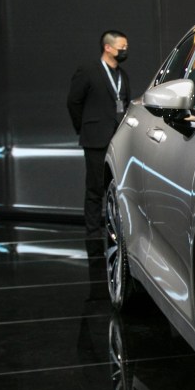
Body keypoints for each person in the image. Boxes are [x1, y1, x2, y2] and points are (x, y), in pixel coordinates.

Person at [67, 29, 131, 256]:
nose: (125, 50)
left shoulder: (122, 74)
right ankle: (93, 233)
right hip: (95, 138)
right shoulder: (89, 71)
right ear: (108, 47)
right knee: (95, 188)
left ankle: (116, 228)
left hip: (118, 138)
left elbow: (125, 102)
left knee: (117, 186)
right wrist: (84, 128)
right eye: (121, 47)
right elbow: (73, 102)